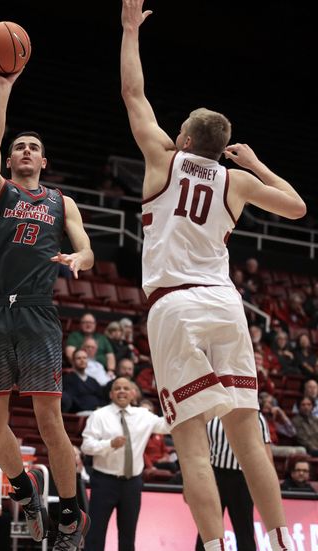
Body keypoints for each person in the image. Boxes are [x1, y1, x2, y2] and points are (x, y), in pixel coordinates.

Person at [120, 2, 306, 549]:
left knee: (193, 442)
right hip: (225, 303)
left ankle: (217, 546)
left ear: (181, 138)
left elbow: (134, 94)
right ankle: (279, 542)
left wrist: (130, 30)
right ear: (216, 146)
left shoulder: (161, 156)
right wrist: (253, 164)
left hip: (174, 305)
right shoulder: (234, 181)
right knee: (249, 437)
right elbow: (296, 208)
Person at [0, 61, 93, 548]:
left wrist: (79, 256)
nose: (23, 151)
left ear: (44, 160)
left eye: (32, 147)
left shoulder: (62, 201)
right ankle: (27, 494)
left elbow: (86, 247)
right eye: (19, 146)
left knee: (49, 421)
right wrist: (3, 88)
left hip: (38, 312)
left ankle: (69, 514)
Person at [81, 377, 169, 551]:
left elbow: (166, 426)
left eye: (126, 388)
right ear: (111, 394)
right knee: (95, 534)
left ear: (133, 393)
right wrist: (109, 444)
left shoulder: (144, 416)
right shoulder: (99, 416)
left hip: (132, 484)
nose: (122, 391)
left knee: (128, 537)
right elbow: (86, 446)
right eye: (117, 388)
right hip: (104, 482)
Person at [195, 412, 272, 551]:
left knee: (244, 530)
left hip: (243, 479)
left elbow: (265, 453)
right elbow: (200, 449)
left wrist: (269, 487)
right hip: (214, 476)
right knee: (207, 528)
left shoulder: (256, 417)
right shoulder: (210, 416)